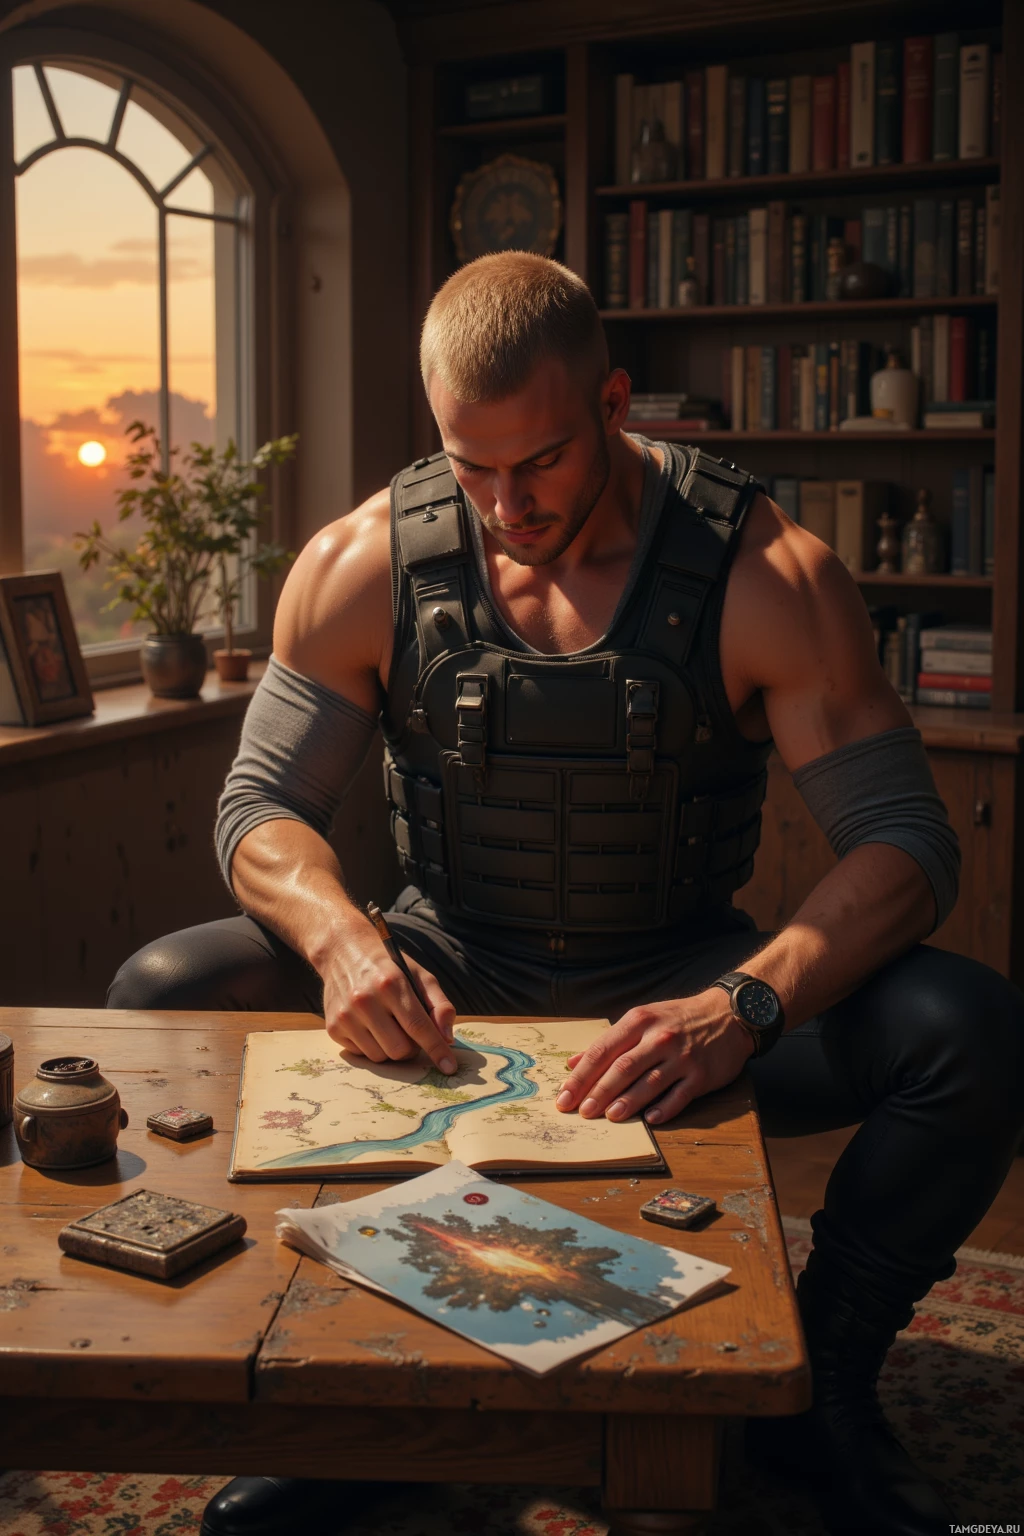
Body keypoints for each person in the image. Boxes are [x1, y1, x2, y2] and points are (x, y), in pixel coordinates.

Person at [109, 252, 1024, 1536]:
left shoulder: (769, 573)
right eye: (468, 465)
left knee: (969, 1030)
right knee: (168, 989)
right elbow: (257, 809)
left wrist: (745, 1005)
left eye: (534, 462)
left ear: (612, 402)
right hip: (454, 974)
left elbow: (907, 847)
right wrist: (346, 945)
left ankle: (814, 1392)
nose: (501, 503)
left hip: (681, 982)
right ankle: (358, 1395)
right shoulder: (363, 561)